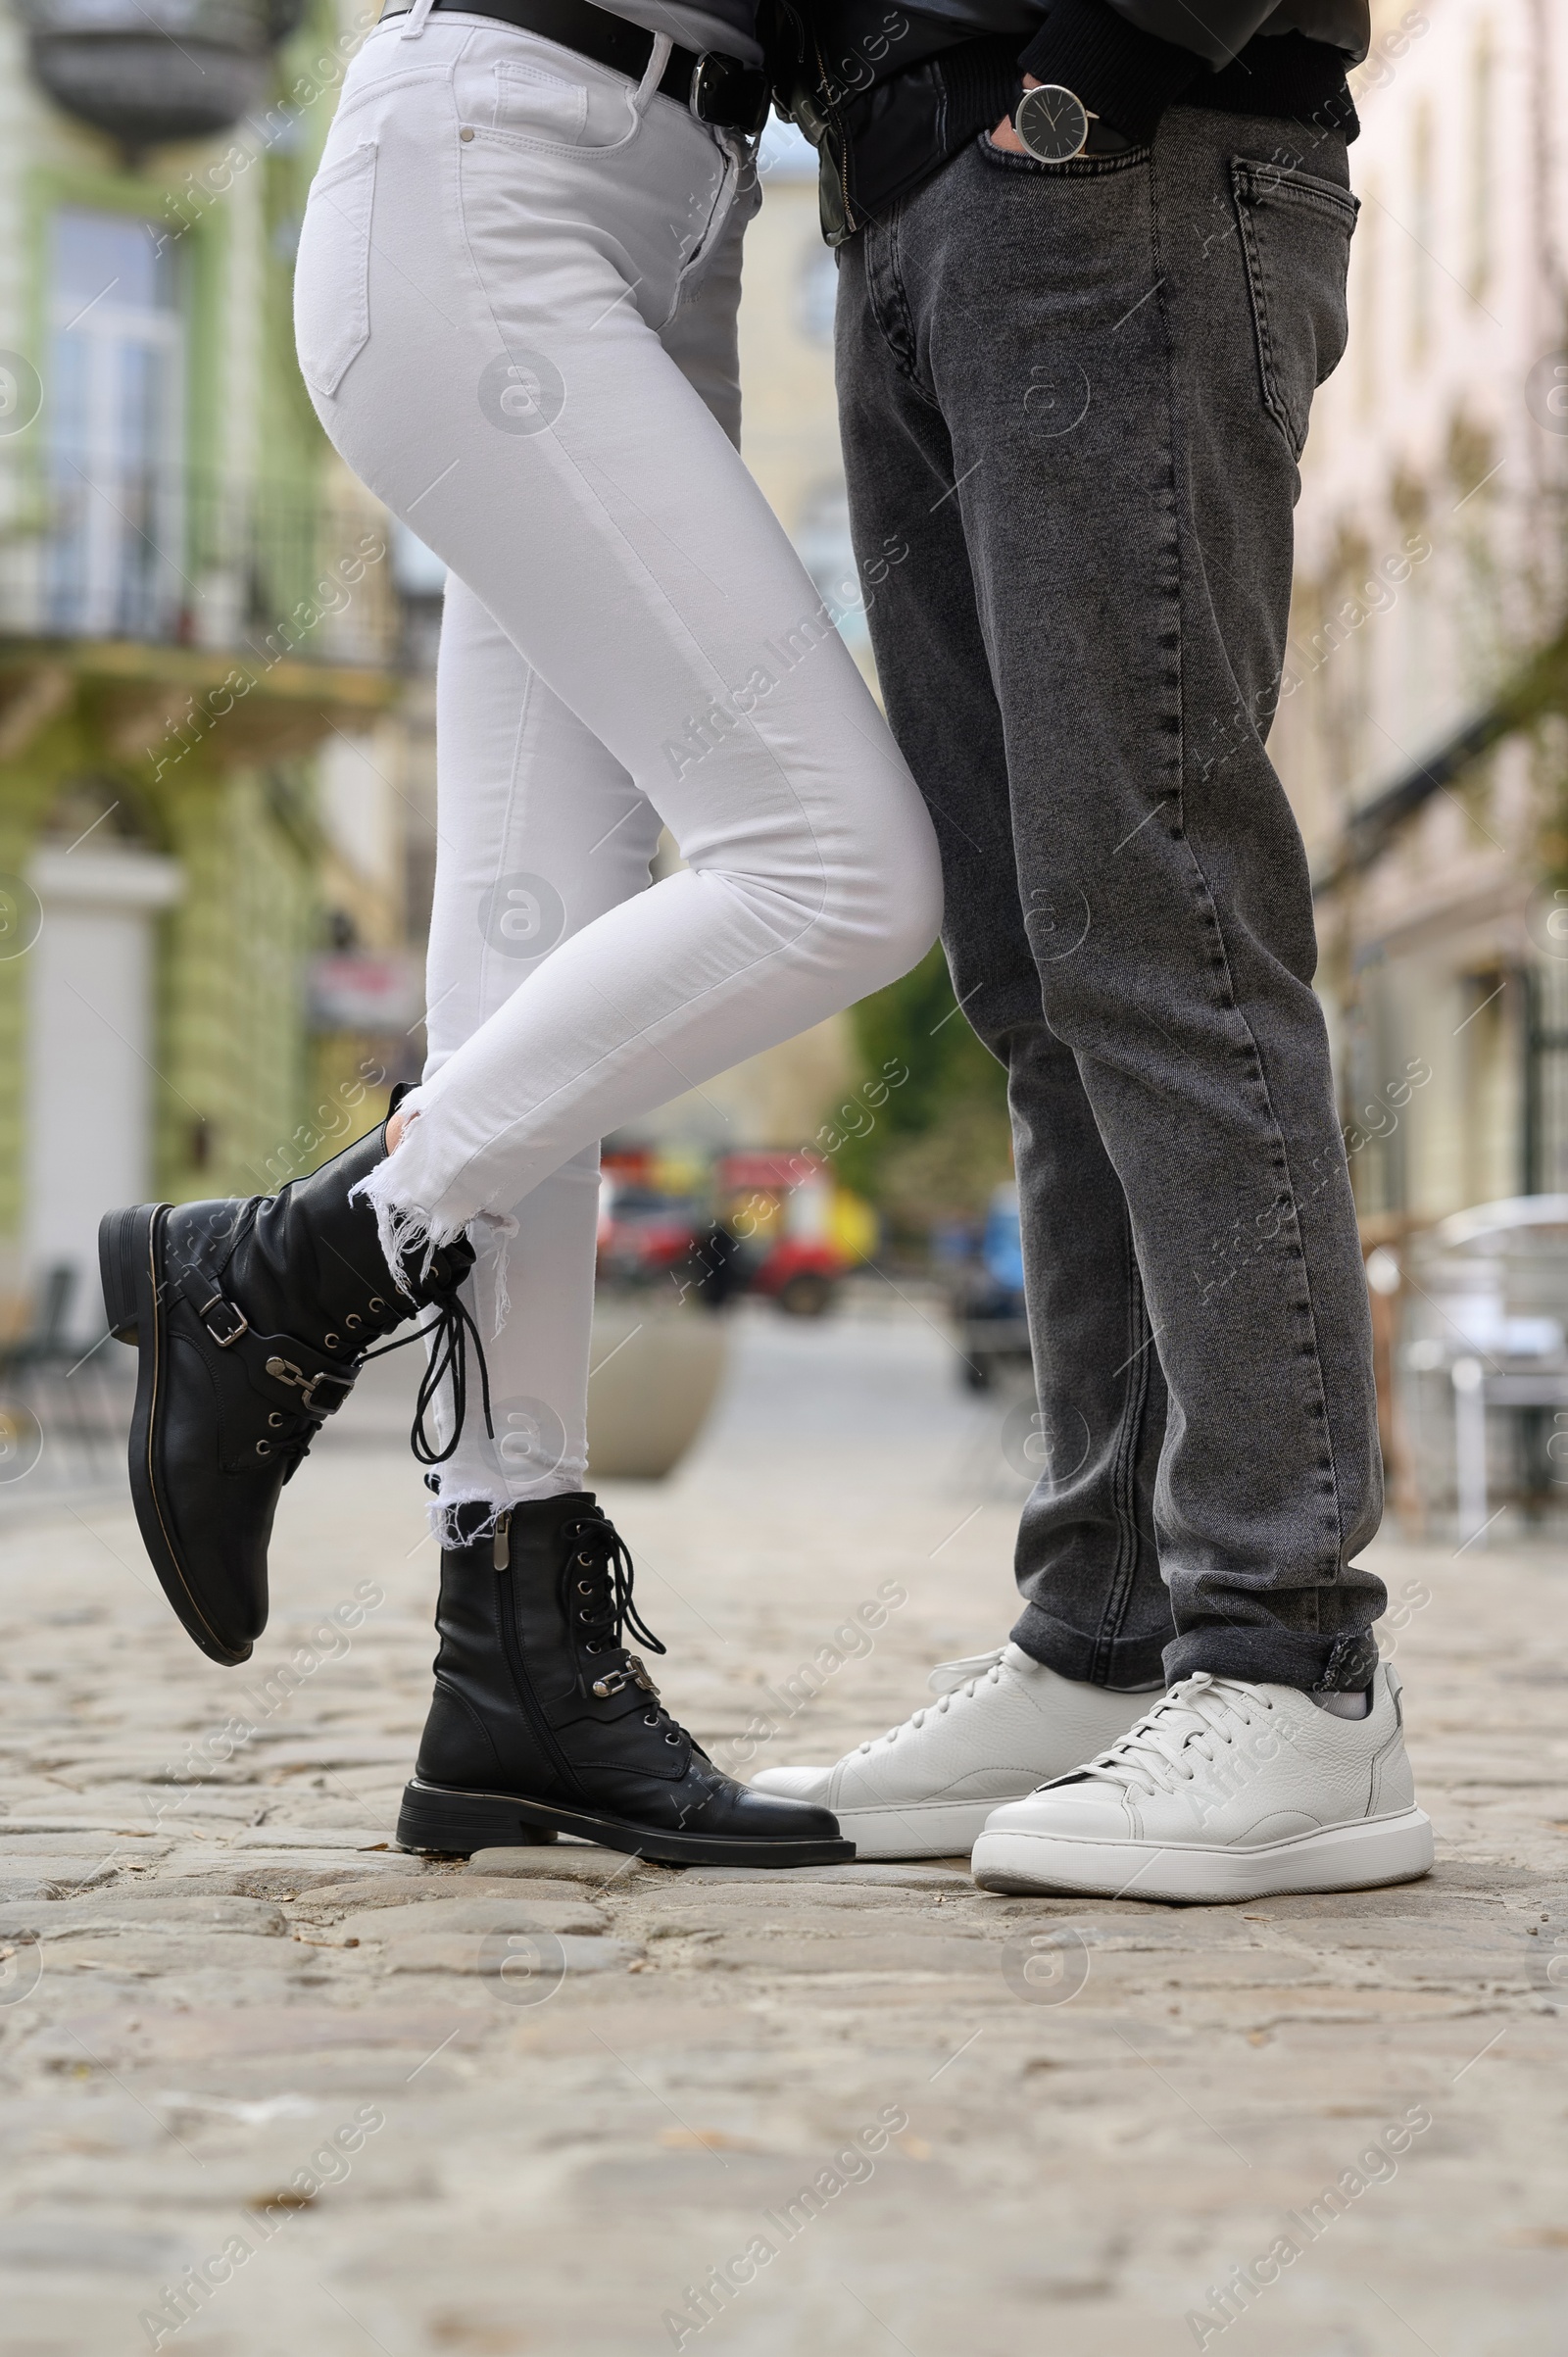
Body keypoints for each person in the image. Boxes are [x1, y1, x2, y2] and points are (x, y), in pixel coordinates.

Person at [98, 0, 943, 1870]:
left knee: (530, 963)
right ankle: (300, 1262)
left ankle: (515, 1662)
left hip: (680, 215)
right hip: (503, 164)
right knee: (840, 865)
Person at [751, 0, 1434, 1900]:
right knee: (1037, 974)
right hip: (915, 196)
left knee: (1158, 920)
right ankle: (1103, 1633)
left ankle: (1290, 1657)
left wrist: (1097, 71)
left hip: (1113, 153)